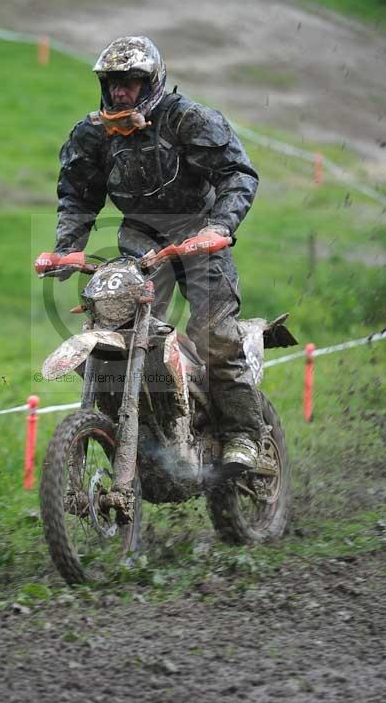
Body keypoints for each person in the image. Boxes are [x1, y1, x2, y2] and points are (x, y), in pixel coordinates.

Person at [41, 35, 269, 473]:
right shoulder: (93, 134)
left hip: (198, 232)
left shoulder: (187, 119)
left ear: (151, 82)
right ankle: (142, 431)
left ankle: (244, 434)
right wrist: (67, 249)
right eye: (112, 83)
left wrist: (219, 227)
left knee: (214, 332)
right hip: (140, 237)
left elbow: (237, 173)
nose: (120, 92)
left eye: (130, 82)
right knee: (119, 326)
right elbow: (77, 194)